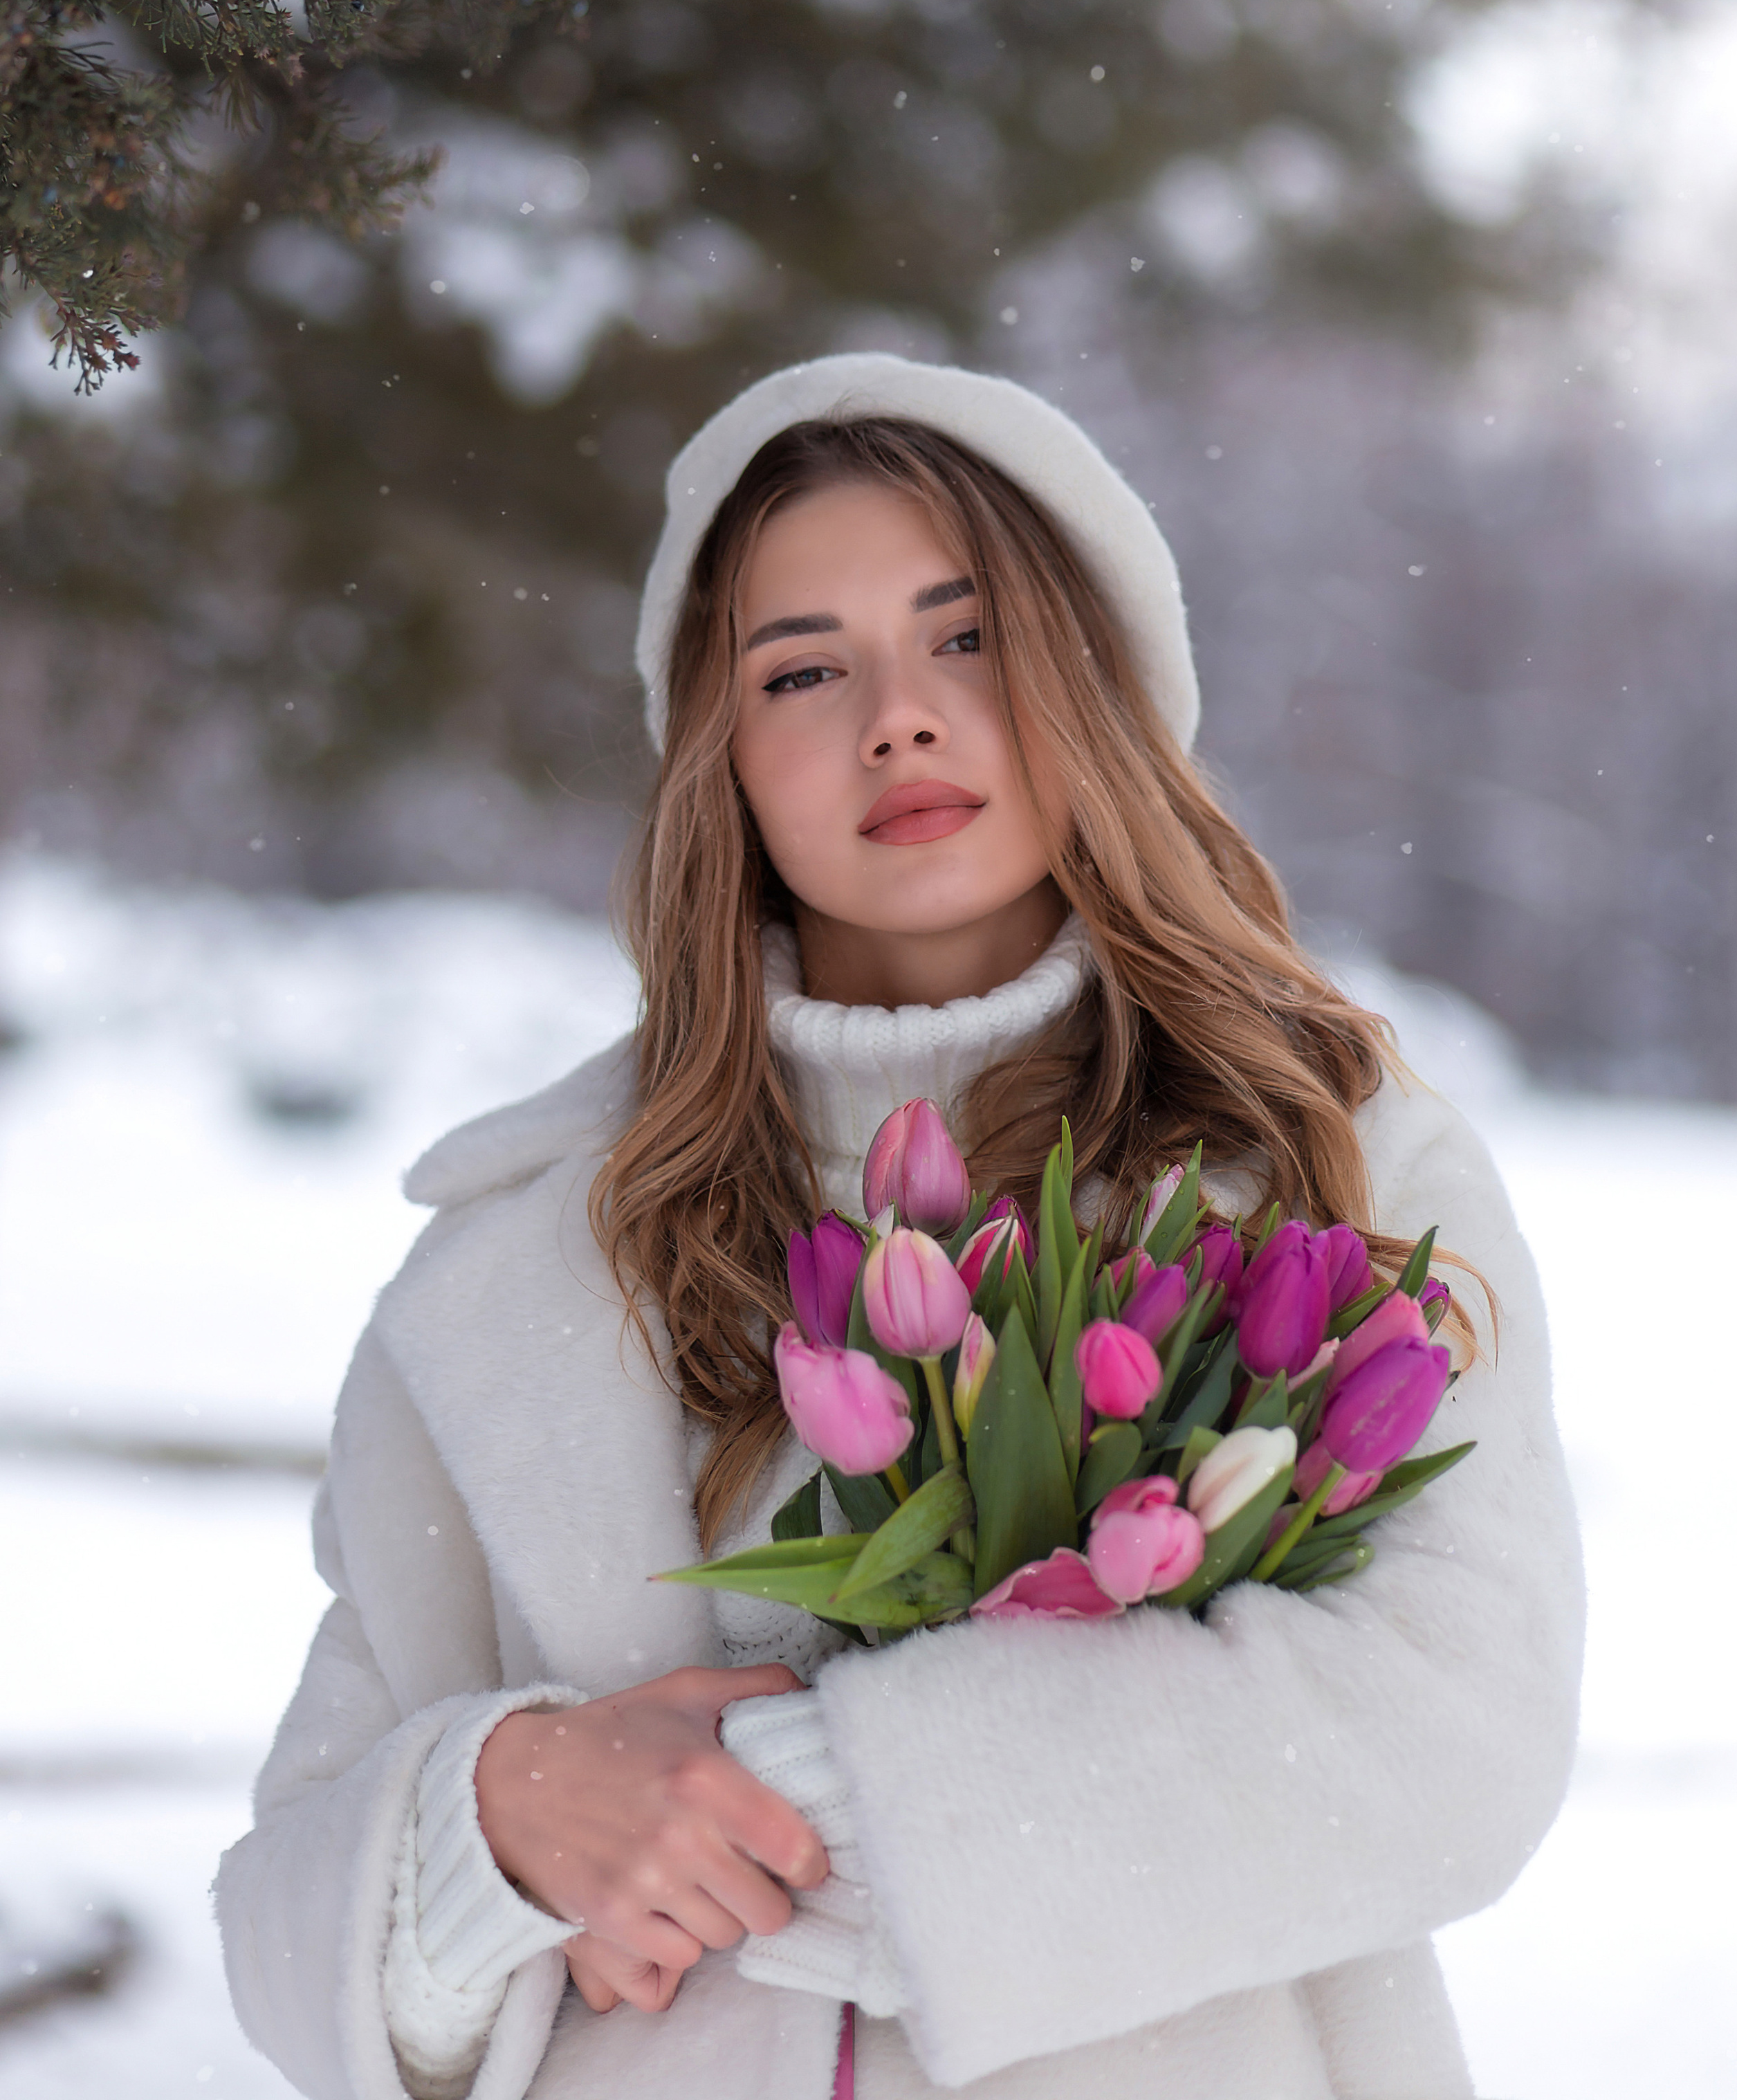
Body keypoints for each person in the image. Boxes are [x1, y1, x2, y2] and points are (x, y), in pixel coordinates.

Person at [216, 353, 1583, 2100]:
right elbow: (292, 1918)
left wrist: (775, 1812)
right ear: (723, 758)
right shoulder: (523, 1266)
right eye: (803, 669)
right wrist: (505, 1811)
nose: (898, 718)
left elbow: (1450, 1726)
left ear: (1093, 683)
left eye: (968, 638)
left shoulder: (1322, 1162)